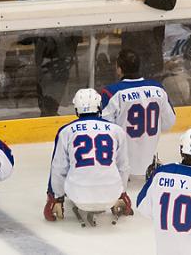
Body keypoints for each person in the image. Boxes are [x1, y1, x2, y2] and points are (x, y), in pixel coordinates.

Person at [16, 0, 89, 116]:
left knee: (42, 70)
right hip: (67, 32)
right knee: (61, 71)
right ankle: (51, 109)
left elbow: (21, 0)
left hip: (39, 32)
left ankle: (45, 108)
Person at [44, 88, 132, 222]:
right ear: (99, 106)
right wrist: (122, 193)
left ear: (76, 109)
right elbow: (123, 166)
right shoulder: (117, 130)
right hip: (111, 195)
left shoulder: (66, 131)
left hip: (78, 196)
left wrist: (56, 198)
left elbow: (58, 168)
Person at [100, 49, 176, 177]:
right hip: (149, 167)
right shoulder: (158, 89)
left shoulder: (112, 92)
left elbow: (103, 131)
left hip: (119, 169)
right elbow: (169, 123)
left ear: (119, 69)